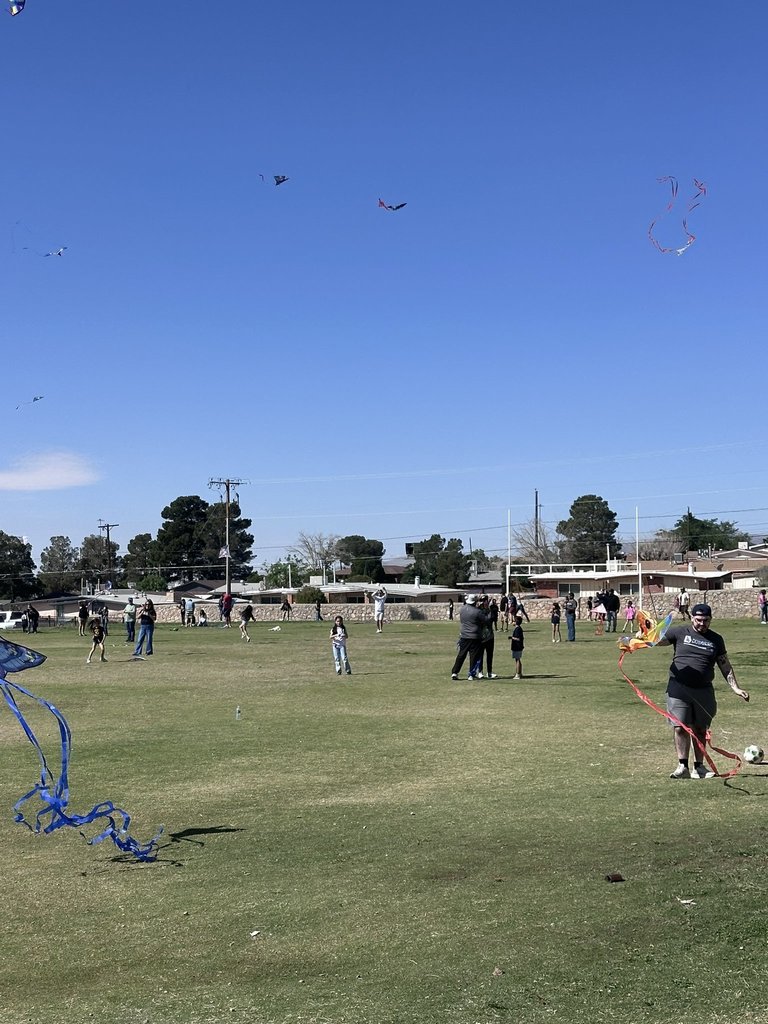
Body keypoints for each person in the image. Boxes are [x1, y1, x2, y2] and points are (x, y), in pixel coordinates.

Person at [658, 603, 749, 780]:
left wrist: (735, 688)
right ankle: (682, 766)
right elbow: (658, 641)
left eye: (706, 620)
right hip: (679, 688)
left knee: (700, 728)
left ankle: (698, 767)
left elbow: (725, 665)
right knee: (680, 727)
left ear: (710, 620)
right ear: (692, 618)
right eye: (698, 620)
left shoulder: (716, 639)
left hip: (704, 690)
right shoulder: (679, 632)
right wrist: (645, 638)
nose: (702, 624)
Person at [450, 595, 489, 681]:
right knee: (473, 656)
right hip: (475, 636)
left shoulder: (462, 609)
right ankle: (471, 674)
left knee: (461, 655)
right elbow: (486, 620)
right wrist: (485, 609)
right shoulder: (477, 611)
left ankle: (455, 672)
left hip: (464, 635)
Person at [470, 595, 497, 679]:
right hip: (481, 636)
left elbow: (492, 619)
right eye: (481, 600)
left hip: (489, 635)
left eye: (484, 600)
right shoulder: (478, 610)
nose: (483, 602)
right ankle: (480, 671)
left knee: (490, 655)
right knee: (480, 655)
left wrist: (492, 610)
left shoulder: (490, 609)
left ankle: (489, 672)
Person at [510, 615, 525, 679]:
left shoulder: (518, 629)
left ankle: (518, 674)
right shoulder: (518, 629)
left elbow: (518, 639)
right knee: (518, 659)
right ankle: (520, 672)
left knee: (517, 659)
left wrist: (512, 638)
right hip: (518, 646)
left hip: (517, 646)